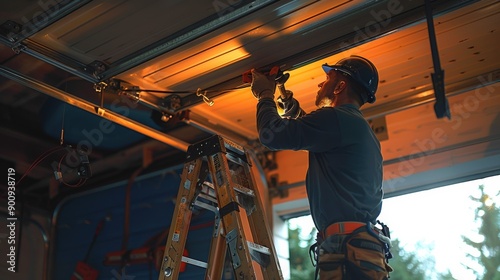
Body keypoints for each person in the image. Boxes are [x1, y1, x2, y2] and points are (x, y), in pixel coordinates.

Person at [251, 55, 392, 279]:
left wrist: (264, 94)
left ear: (340, 86)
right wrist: (295, 113)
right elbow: (324, 136)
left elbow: (270, 134)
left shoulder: (338, 120)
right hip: (355, 249)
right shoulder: (354, 124)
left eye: (328, 78)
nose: (320, 83)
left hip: (347, 250)